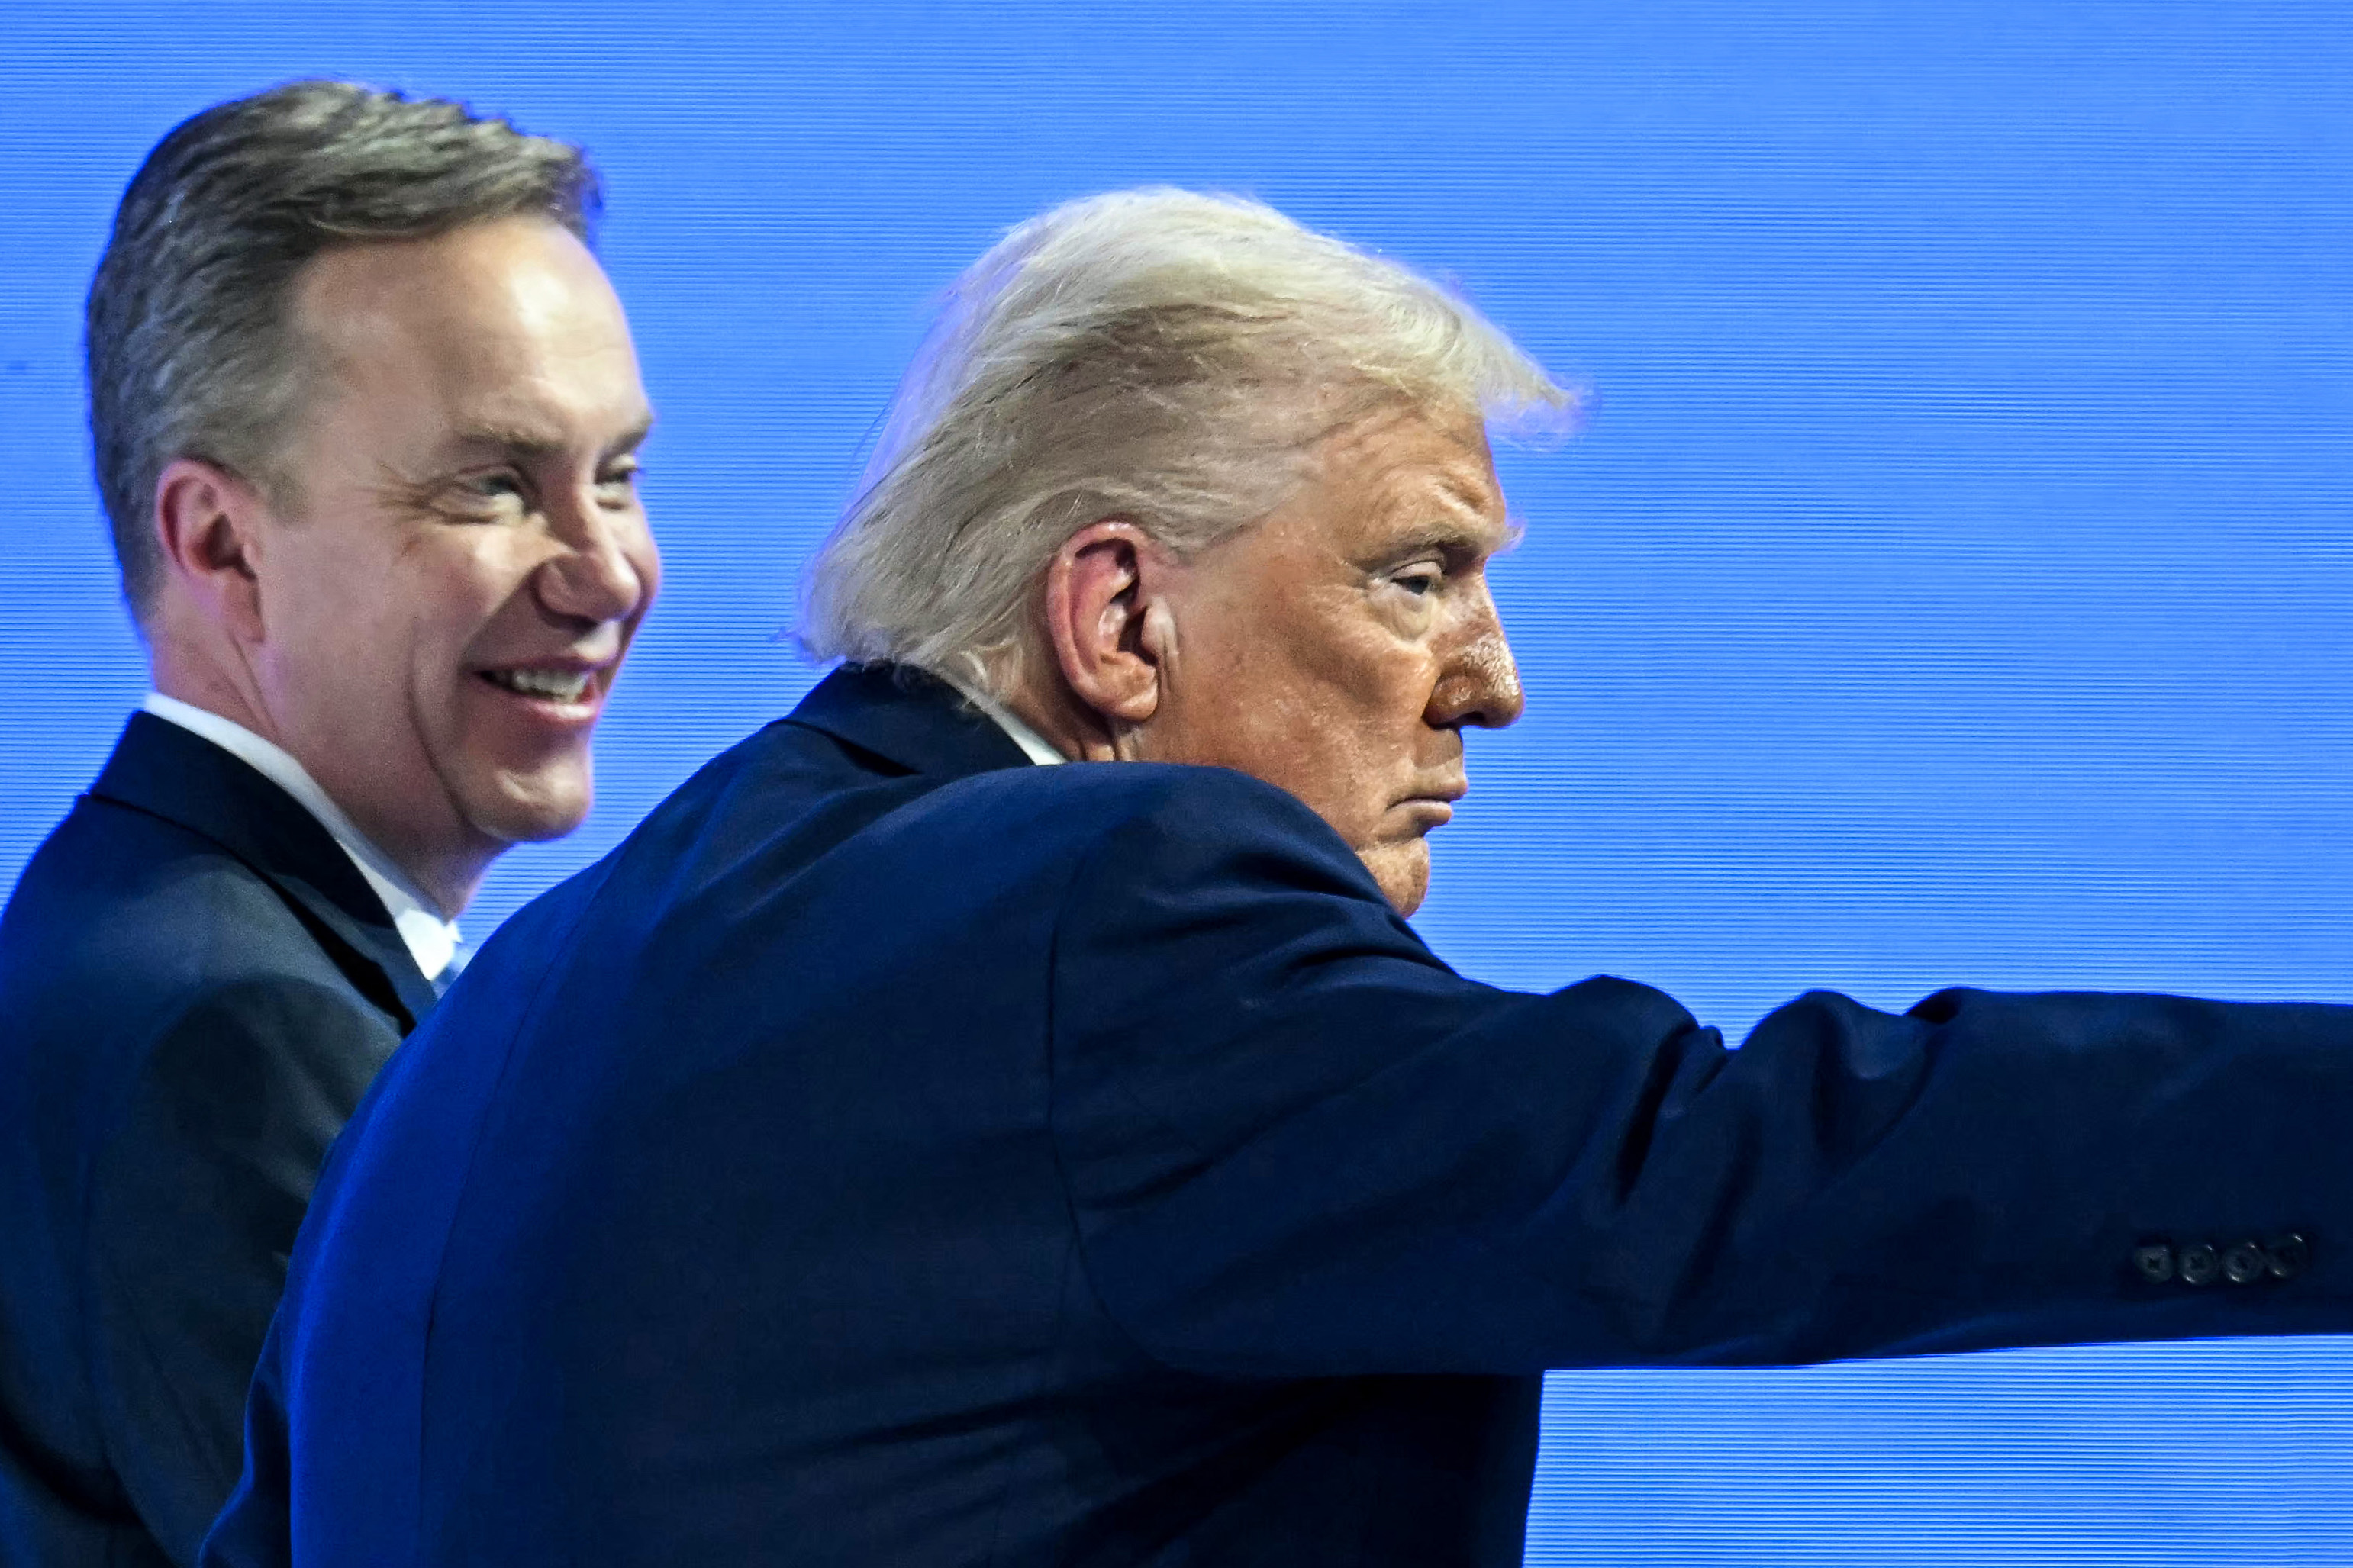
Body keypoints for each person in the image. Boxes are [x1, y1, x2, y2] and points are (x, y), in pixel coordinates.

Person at [205, 190, 2343, 1568]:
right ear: (1114, 619)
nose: (1488, 684)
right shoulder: (1094, 912)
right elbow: (1728, 1176)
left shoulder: (498, 1020)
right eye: (1417, 577)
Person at [0, 82, 659, 1567]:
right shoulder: (231, 1032)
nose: (609, 566)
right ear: (222, 545)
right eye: (494, 482)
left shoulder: (163, 929)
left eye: (617, 473)